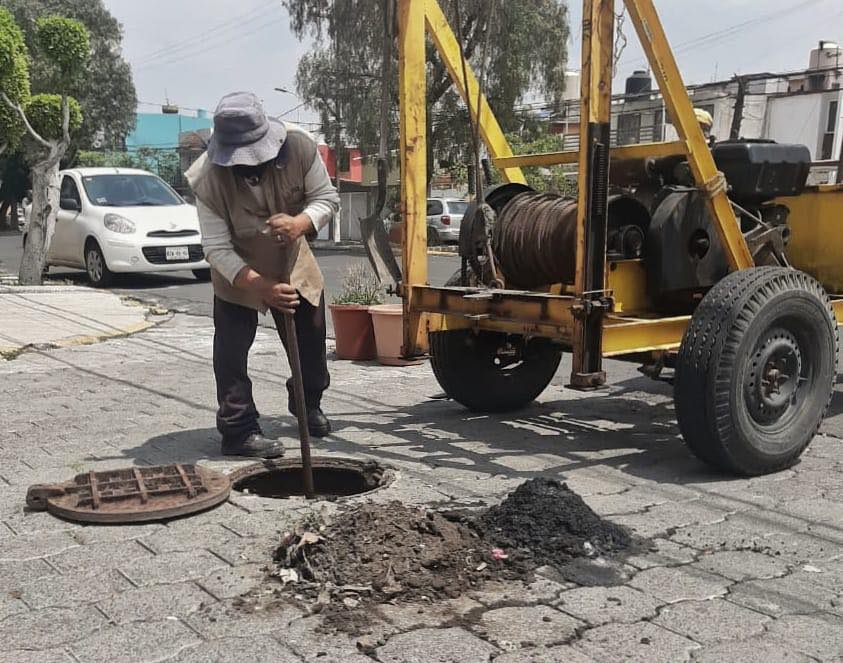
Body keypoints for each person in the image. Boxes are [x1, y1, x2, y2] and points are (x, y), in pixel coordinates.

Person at [185, 92, 339, 458]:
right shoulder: (206, 179)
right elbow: (216, 248)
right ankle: (238, 431)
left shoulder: (300, 147)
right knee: (231, 353)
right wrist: (260, 285)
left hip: (294, 265)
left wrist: (301, 221)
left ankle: (308, 401)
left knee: (312, 346)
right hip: (238, 273)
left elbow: (327, 198)